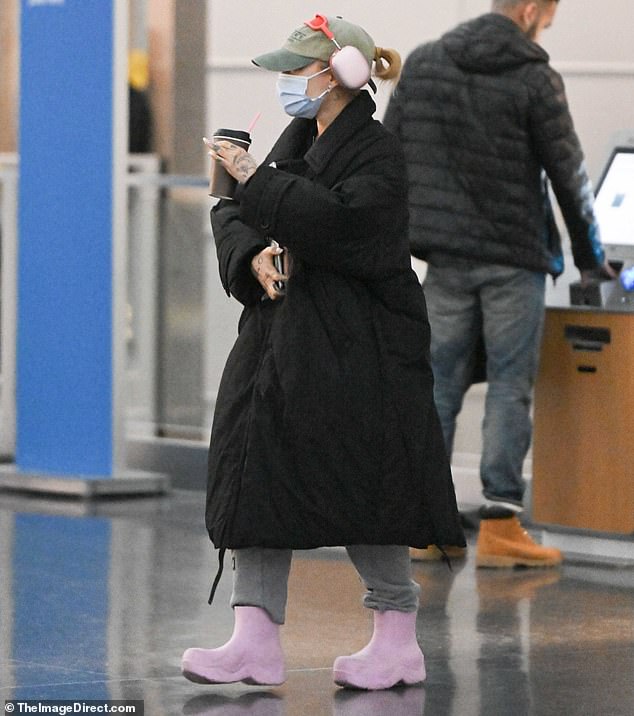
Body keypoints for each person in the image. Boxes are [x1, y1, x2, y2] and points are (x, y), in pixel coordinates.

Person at [181, 14, 465, 691]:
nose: (287, 81)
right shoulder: (291, 143)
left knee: (370, 482)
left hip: (361, 349)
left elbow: (339, 227)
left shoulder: (378, 154)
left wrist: (252, 178)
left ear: (342, 74)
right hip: (284, 342)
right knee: (258, 475)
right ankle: (254, 639)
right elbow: (238, 215)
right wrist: (251, 256)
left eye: (296, 68)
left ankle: (397, 642)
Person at [384, 0, 615, 569]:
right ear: (531, 9)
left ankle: (426, 526)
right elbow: (569, 172)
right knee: (511, 387)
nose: (551, 23)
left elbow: (390, 154)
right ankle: (502, 527)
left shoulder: (426, 63)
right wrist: (591, 260)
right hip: (513, 259)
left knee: (438, 384)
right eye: (551, 12)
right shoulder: (534, 77)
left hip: (444, 258)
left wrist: (395, 243)